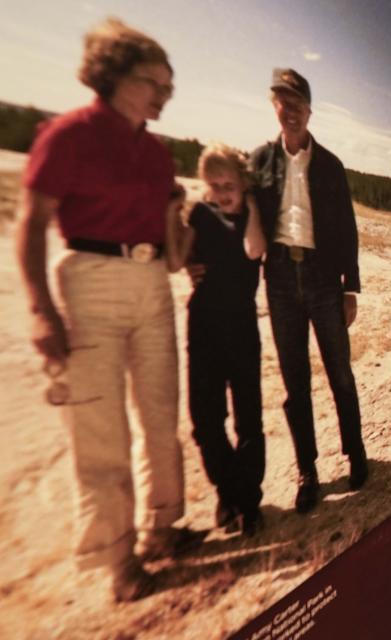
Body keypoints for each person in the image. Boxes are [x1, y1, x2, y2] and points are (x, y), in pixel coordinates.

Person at [16, 19, 203, 602]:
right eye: (154, 82)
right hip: (89, 283)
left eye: (170, 86)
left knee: (159, 413)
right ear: (113, 74)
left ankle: (162, 528)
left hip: (151, 285)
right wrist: (42, 312)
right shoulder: (68, 135)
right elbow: (33, 223)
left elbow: (171, 251)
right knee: (100, 428)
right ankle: (119, 564)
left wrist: (178, 218)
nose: (164, 95)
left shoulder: (156, 152)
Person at [249, 68, 367, 514]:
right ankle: (307, 471)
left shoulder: (331, 166)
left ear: (310, 110)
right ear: (274, 107)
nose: (290, 110)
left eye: (297, 102)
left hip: (322, 281)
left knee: (340, 374)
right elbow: (243, 216)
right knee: (294, 383)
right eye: (282, 101)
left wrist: (350, 288)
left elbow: (347, 231)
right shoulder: (259, 160)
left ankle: (356, 453)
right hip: (279, 281)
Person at [166, 144, 266, 536]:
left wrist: (252, 206)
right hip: (203, 324)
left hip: (242, 325)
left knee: (249, 418)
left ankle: (249, 502)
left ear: (243, 182)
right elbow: (176, 261)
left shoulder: (253, 217)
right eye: (214, 185)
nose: (222, 193)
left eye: (229, 185)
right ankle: (229, 492)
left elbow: (254, 249)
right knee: (205, 419)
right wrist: (171, 210)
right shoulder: (201, 214)